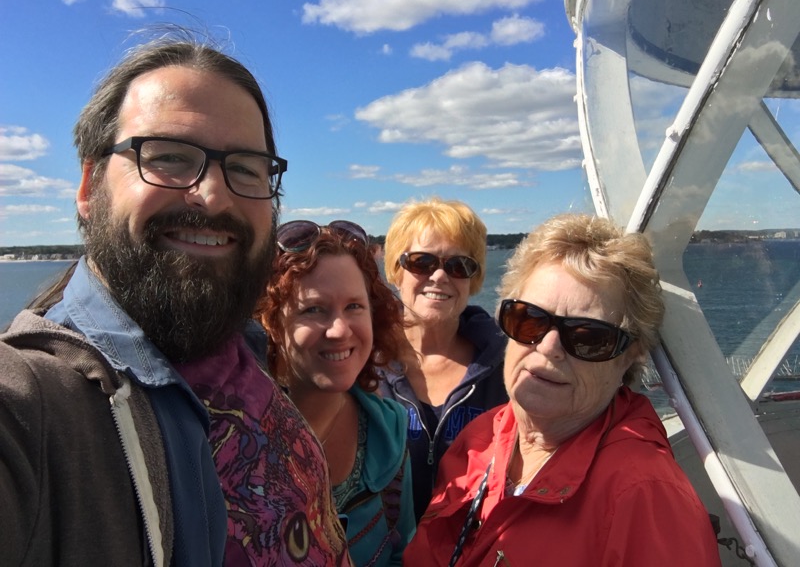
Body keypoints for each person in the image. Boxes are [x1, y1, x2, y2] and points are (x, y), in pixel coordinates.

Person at [0, 29, 350, 566]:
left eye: (244, 168)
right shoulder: (39, 405)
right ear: (89, 185)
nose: (212, 195)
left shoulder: (249, 357)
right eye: (167, 156)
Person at [404, 213, 722, 566]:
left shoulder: (644, 496)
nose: (549, 346)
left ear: (629, 356)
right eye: (528, 319)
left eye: (588, 337)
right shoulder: (484, 437)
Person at [257, 220, 416, 566]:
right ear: (273, 322)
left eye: (354, 307)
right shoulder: (233, 443)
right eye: (314, 309)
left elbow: (404, 553)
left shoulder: (389, 433)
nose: (340, 329)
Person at [379, 198, 508, 522]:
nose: (439, 276)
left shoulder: (505, 365)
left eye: (458, 265)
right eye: (422, 262)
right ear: (396, 270)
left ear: (473, 279)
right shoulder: (361, 358)